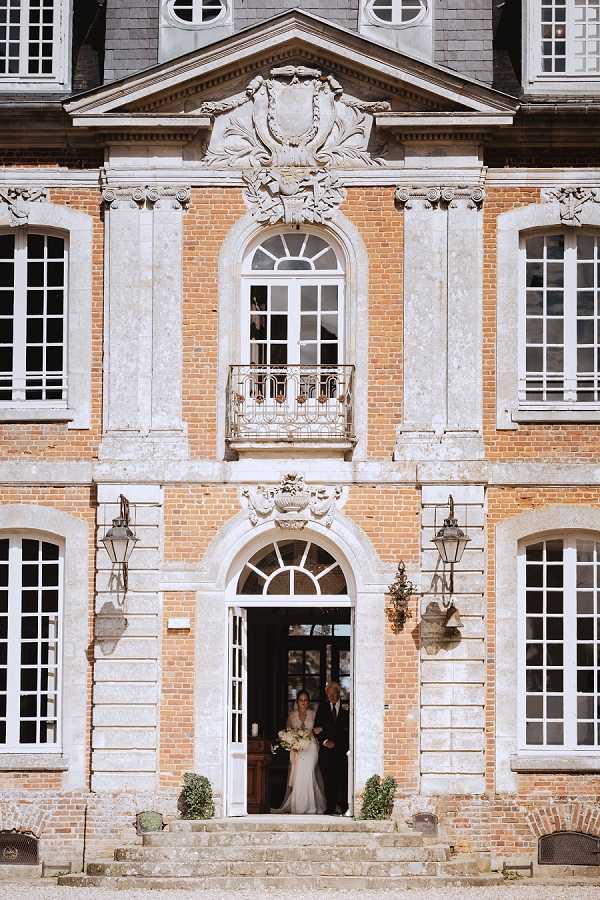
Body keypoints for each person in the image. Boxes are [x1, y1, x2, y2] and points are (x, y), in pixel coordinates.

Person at [272, 689, 326, 815]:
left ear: (308, 702)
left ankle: (312, 806)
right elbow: (288, 732)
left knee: (309, 773)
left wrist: (318, 729)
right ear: (297, 701)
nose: (303, 702)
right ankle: (299, 806)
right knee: (299, 775)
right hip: (298, 748)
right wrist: (292, 740)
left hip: (311, 747)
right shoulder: (292, 715)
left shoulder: (313, 714)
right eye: (301, 700)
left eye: (305, 700)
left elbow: (321, 727)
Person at [314, 681, 349, 815]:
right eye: (329, 695)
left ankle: (345, 806)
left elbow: (349, 729)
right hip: (327, 751)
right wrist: (324, 741)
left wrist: (343, 746)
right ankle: (330, 807)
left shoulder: (346, 707)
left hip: (342, 750)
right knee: (328, 780)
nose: (332, 697)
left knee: (342, 779)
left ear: (338, 693)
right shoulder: (322, 708)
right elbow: (317, 728)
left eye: (334, 694)